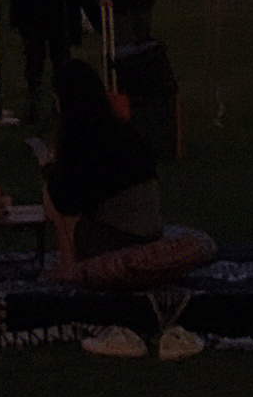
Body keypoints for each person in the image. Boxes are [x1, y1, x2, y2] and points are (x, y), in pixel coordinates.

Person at [39, 59, 162, 270]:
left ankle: (70, 268)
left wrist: (51, 167)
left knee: (52, 198)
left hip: (120, 239)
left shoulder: (88, 140)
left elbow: (68, 201)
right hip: (150, 233)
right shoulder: (118, 130)